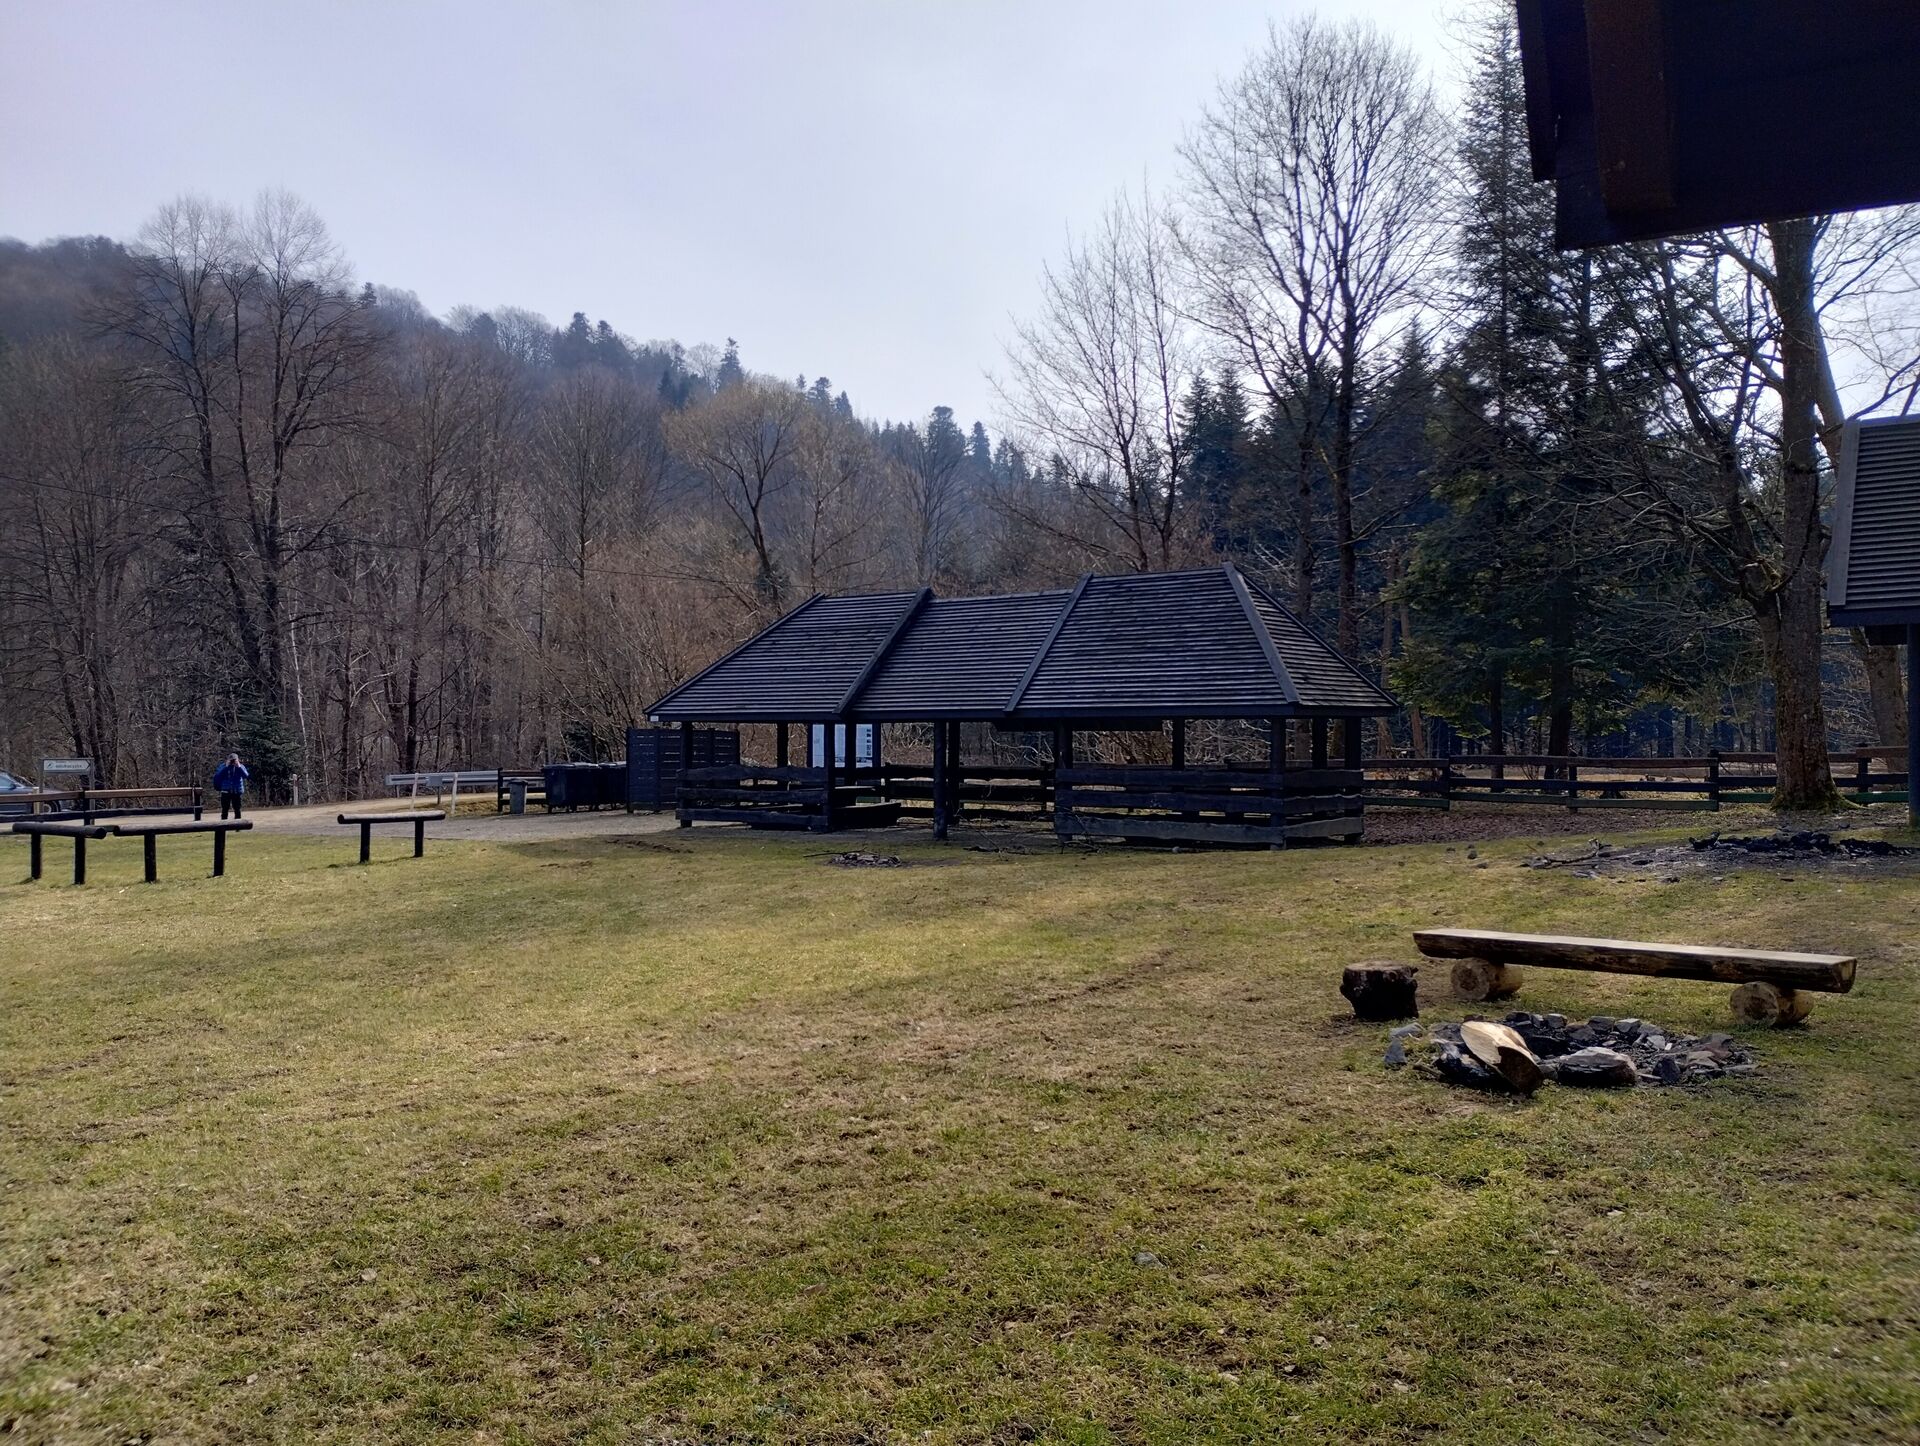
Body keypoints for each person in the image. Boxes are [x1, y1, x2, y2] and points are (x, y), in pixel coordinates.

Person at [213, 752, 250, 819]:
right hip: (225, 790)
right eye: (231, 760)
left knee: (237, 809)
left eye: (234, 760)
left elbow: (245, 776)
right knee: (225, 809)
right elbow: (218, 776)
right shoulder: (223, 766)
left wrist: (239, 767)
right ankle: (223, 824)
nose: (233, 762)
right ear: (228, 760)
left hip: (236, 791)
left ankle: (238, 824)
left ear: (238, 760)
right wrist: (226, 767)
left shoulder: (241, 766)